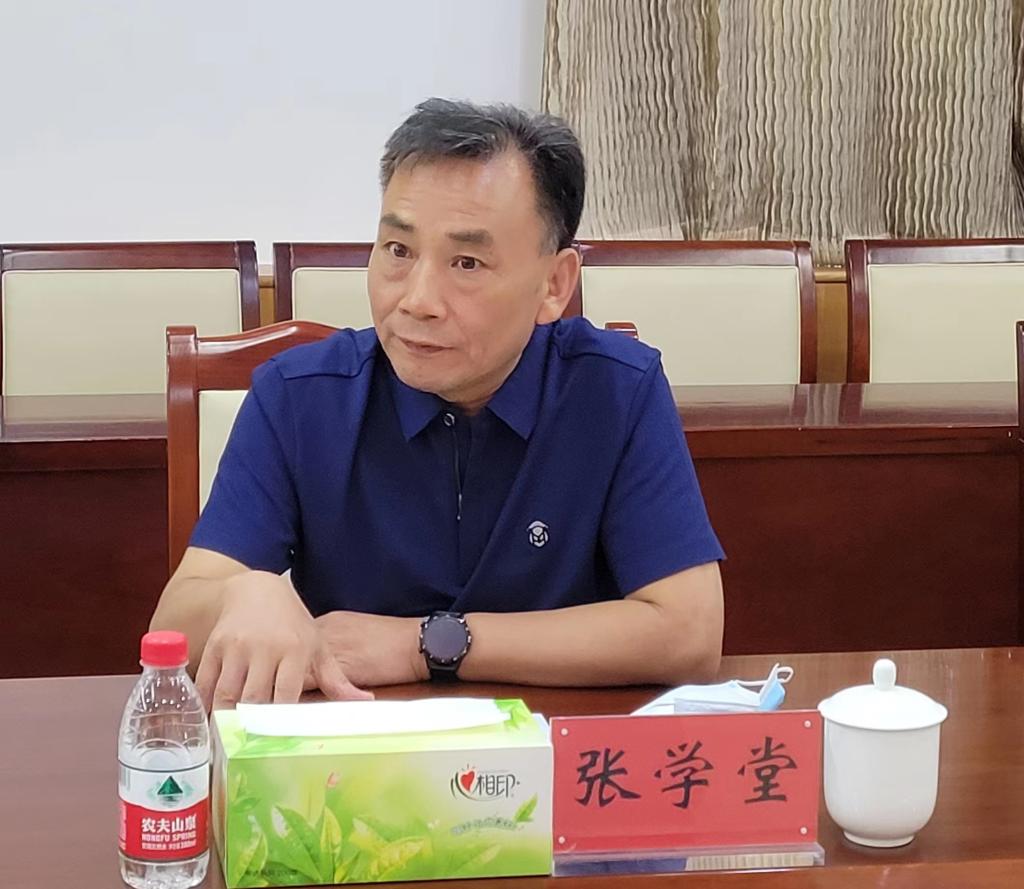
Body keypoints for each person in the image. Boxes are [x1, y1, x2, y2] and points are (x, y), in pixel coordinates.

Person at [150, 98, 725, 711]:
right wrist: (243, 594)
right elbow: (174, 629)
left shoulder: (616, 389)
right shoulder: (298, 397)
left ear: (554, 284)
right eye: (398, 251)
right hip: (353, 749)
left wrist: (422, 645)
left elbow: (689, 632)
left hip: (552, 747)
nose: (417, 300)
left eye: (467, 262)